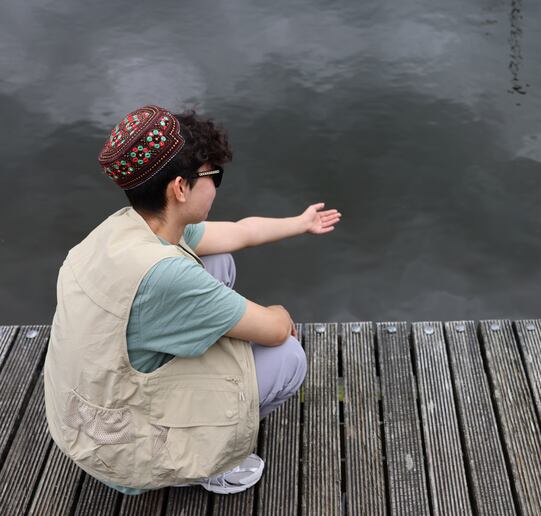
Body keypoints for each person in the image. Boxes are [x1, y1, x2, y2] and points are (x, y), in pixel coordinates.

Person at [43, 105, 340, 495]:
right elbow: (275, 330)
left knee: (217, 260)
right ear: (180, 188)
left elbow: (239, 232)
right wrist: (279, 312)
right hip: (122, 452)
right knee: (288, 357)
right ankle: (208, 461)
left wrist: (300, 223)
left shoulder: (126, 228)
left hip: (84, 418)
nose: (216, 187)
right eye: (214, 177)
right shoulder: (167, 275)